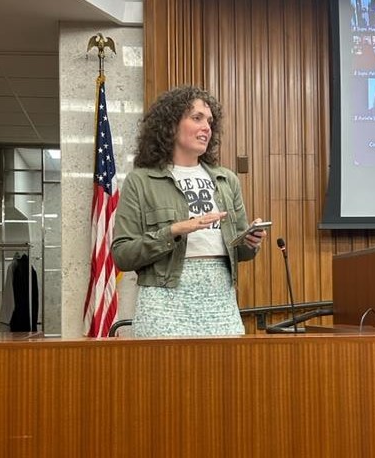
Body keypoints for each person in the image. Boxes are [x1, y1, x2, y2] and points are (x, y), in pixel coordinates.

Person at [111, 85, 267, 337]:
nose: (207, 127)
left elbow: (242, 253)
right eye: (197, 118)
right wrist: (173, 231)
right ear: (170, 125)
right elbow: (122, 255)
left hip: (220, 304)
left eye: (209, 121)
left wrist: (251, 241)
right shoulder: (140, 181)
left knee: (224, 376)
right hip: (163, 307)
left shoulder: (226, 180)